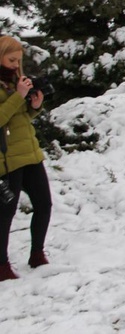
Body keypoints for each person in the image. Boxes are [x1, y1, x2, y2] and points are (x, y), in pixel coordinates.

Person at [0, 36, 51, 281]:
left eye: (18, 60)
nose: (15, 64)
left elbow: (20, 119)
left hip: (30, 153)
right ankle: (1, 265)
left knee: (44, 204)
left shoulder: (15, 81)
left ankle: (37, 253)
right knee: (5, 213)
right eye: (11, 59)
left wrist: (34, 106)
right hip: (7, 159)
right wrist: (18, 96)